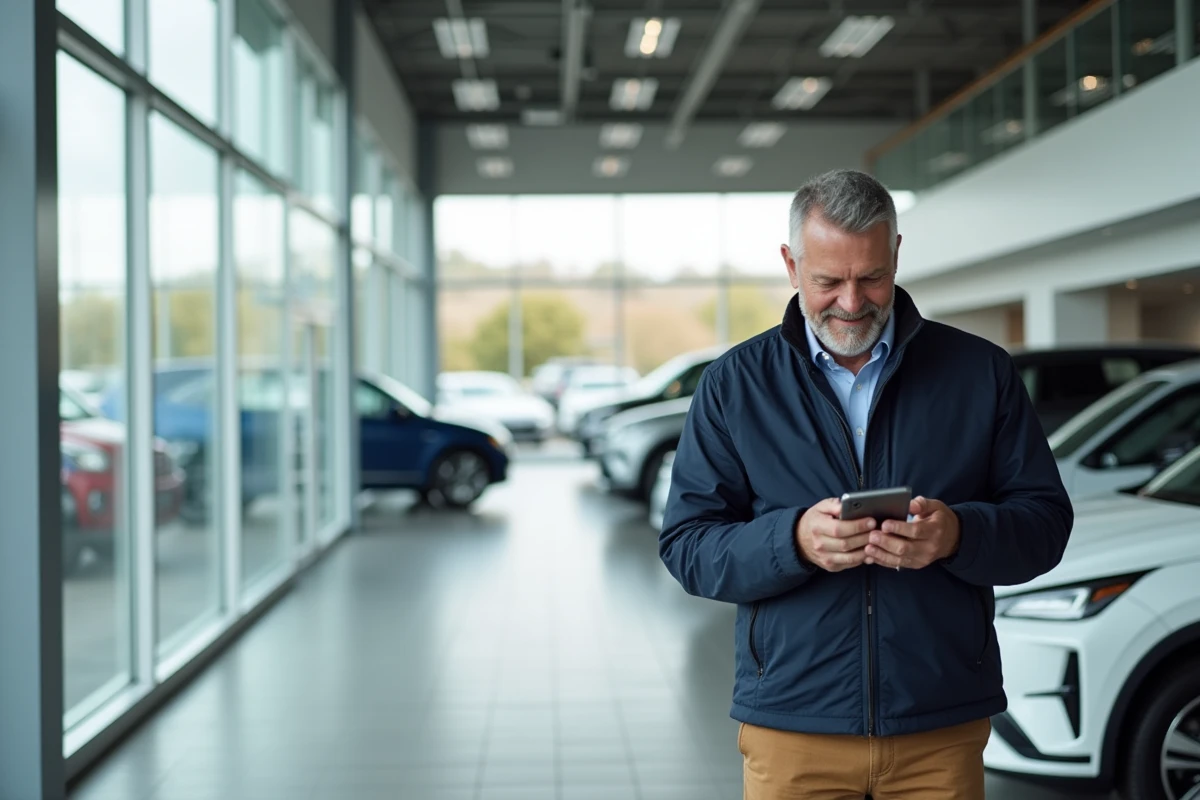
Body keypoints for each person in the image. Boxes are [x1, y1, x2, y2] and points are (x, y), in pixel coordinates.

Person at [658, 169, 1073, 800]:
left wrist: (957, 534)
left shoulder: (980, 372)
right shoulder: (733, 385)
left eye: (872, 276)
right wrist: (792, 541)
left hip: (940, 723)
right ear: (791, 265)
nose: (852, 302)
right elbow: (687, 545)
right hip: (794, 727)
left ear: (897, 254)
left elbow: (1044, 524)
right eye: (828, 281)